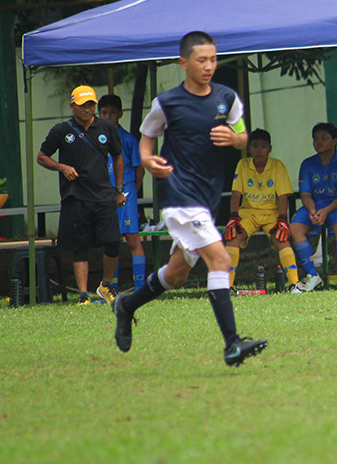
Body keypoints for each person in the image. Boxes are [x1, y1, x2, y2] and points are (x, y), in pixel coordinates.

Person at [113, 31, 266, 367]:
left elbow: (242, 136)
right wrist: (148, 159)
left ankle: (126, 306)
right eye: (202, 60)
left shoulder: (226, 98)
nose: (209, 66)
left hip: (206, 197)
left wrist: (235, 137)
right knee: (221, 261)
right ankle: (232, 344)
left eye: (213, 59)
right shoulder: (167, 102)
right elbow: (147, 135)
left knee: (177, 273)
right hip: (178, 196)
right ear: (184, 63)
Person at [37, 85, 124, 305]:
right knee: (80, 246)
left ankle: (105, 285)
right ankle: (83, 294)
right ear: (72, 105)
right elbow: (42, 157)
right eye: (83, 105)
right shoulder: (61, 130)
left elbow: (118, 157)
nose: (87, 109)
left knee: (114, 241)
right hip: (76, 196)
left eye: (91, 105)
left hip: (104, 194)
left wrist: (119, 189)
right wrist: (62, 167)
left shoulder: (107, 128)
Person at [223, 128, 300, 291]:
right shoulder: (243, 165)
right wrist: (233, 216)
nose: (259, 150)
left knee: (282, 239)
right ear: (249, 148)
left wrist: (282, 220)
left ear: (270, 149)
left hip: (272, 213)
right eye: (255, 146)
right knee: (233, 237)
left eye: (263, 146)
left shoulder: (277, 166)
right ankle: (226, 286)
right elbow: (236, 193)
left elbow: (283, 196)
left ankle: (294, 284)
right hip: (248, 213)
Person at [289, 122, 337, 292]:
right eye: (315, 138)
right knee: (294, 227)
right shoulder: (307, 164)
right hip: (315, 206)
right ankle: (312, 275)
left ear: (335, 141)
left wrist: (326, 211)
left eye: (324, 138)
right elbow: (305, 195)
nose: (319, 142)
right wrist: (313, 210)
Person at [98, 94, 146, 291]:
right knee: (111, 241)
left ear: (120, 114)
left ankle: (141, 287)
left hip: (126, 193)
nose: (107, 117)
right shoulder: (97, 139)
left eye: (112, 113)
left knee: (133, 239)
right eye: (103, 113)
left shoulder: (128, 139)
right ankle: (111, 288)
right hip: (104, 195)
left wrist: (132, 190)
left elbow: (140, 168)